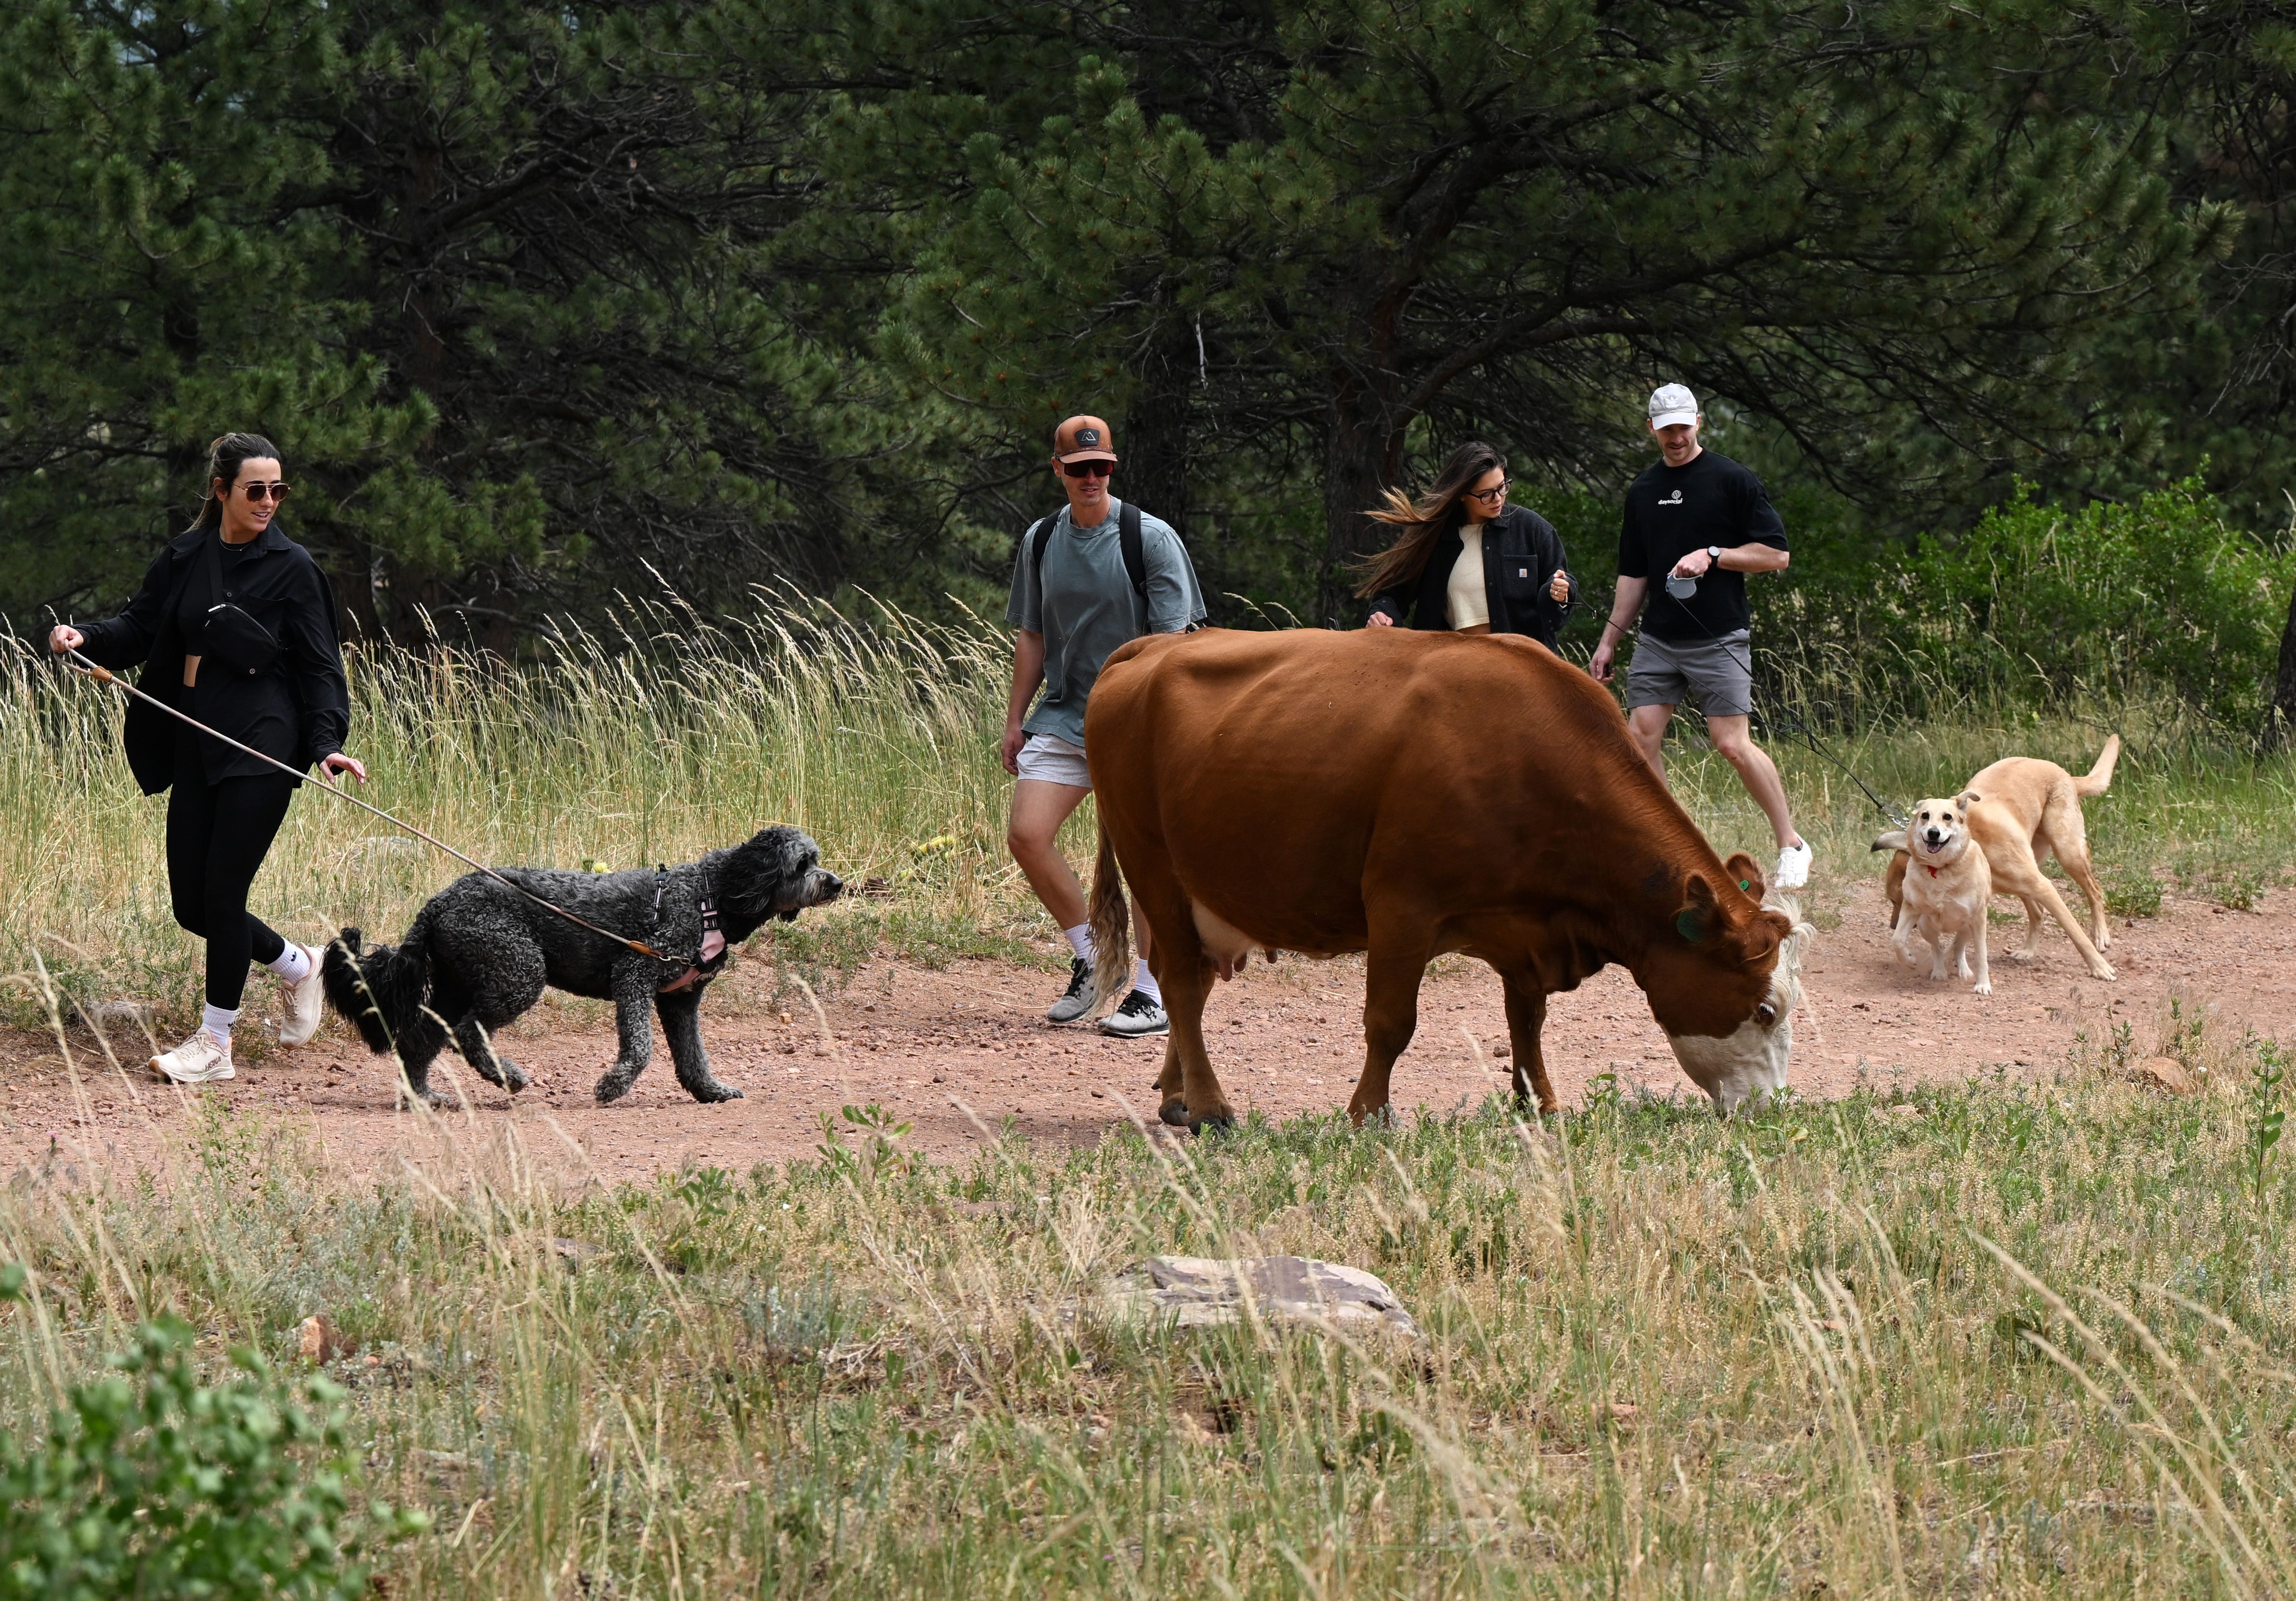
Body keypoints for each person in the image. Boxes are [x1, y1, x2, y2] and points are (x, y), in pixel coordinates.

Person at [49, 433, 368, 1084]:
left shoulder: (294, 567)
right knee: (191, 906)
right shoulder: (187, 555)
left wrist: (326, 744)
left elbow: (319, 667)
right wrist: (87, 638)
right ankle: (302, 966)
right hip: (194, 737)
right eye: (257, 489)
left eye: (279, 489)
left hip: (263, 741)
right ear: (221, 490)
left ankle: (215, 1042)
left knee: (223, 892)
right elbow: (140, 628)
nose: (270, 501)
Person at [1003, 415, 1207, 1036]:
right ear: (1059, 470)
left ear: (1111, 470)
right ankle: (1093, 961)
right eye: (1079, 468)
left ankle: (1151, 990)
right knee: (1026, 833)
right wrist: (1015, 720)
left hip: (1138, 722)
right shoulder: (1041, 540)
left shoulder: (1149, 537)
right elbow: (1032, 635)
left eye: (1102, 468)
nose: (1091, 478)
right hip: (1067, 715)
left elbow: (1174, 646)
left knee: (1145, 861)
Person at [1587, 384, 1811, 890]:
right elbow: (1632, 575)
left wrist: (1713, 554)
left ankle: (1791, 843)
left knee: (1730, 744)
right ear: (1651, 428)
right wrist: (1609, 640)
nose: (1676, 436)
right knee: (1640, 735)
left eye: (1683, 426)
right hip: (1658, 638)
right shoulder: (1642, 491)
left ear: (1698, 423)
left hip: (1719, 637)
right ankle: (1674, 848)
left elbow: (1776, 555)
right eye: (1666, 427)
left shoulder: (1730, 479)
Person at [1358, 441, 1574, 643]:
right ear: (1461, 493)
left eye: (1502, 487)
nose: (1498, 498)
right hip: (1451, 667)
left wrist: (1560, 592)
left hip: (1523, 668)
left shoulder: (1533, 529)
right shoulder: (1434, 537)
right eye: (1486, 494)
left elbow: (1563, 585)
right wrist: (1382, 614)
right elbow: (1392, 594)